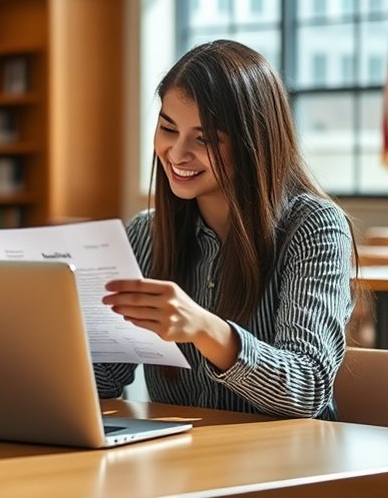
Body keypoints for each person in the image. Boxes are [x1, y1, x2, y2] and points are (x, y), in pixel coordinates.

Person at [97, 40, 356, 420]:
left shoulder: (315, 228)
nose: (177, 153)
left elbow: (307, 390)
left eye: (204, 139)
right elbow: (105, 381)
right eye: (168, 129)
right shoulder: (145, 234)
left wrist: (205, 329)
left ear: (253, 143)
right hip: (184, 461)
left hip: (289, 464)